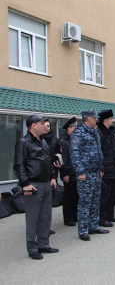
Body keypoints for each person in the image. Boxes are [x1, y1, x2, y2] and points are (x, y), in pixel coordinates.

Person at [14, 115, 60, 260]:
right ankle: (32, 248)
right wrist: (25, 183)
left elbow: (48, 160)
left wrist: (53, 177)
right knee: (33, 218)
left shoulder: (43, 142)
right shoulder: (23, 142)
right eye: (42, 124)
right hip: (33, 184)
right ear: (33, 125)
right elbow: (19, 165)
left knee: (46, 217)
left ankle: (43, 244)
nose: (45, 126)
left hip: (46, 183)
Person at [70, 110, 107, 241]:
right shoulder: (79, 132)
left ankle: (93, 226)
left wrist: (101, 168)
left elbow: (99, 152)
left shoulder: (94, 132)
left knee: (96, 201)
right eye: (94, 118)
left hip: (96, 173)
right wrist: (80, 171)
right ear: (89, 119)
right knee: (85, 203)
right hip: (85, 174)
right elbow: (74, 153)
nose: (96, 120)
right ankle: (82, 230)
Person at [97, 110, 115, 227]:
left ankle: (110, 215)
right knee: (104, 195)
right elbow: (99, 153)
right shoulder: (99, 133)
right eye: (111, 118)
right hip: (105, 168)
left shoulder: (112, 132)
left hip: (113, 167)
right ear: (105, 120)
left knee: (112, 193)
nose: (113, 120)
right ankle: (102, 218)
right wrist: (101, 168)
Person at [59, 117, 78, 227]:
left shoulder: (74, 140)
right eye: (74, 128)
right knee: (68, 197)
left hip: (75, 173)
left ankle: (74, 215)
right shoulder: (64, 142)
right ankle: (68, 218)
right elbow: (63, 160)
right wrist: (64, 174)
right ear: (69, 129)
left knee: (76, 196)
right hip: (69, 174)